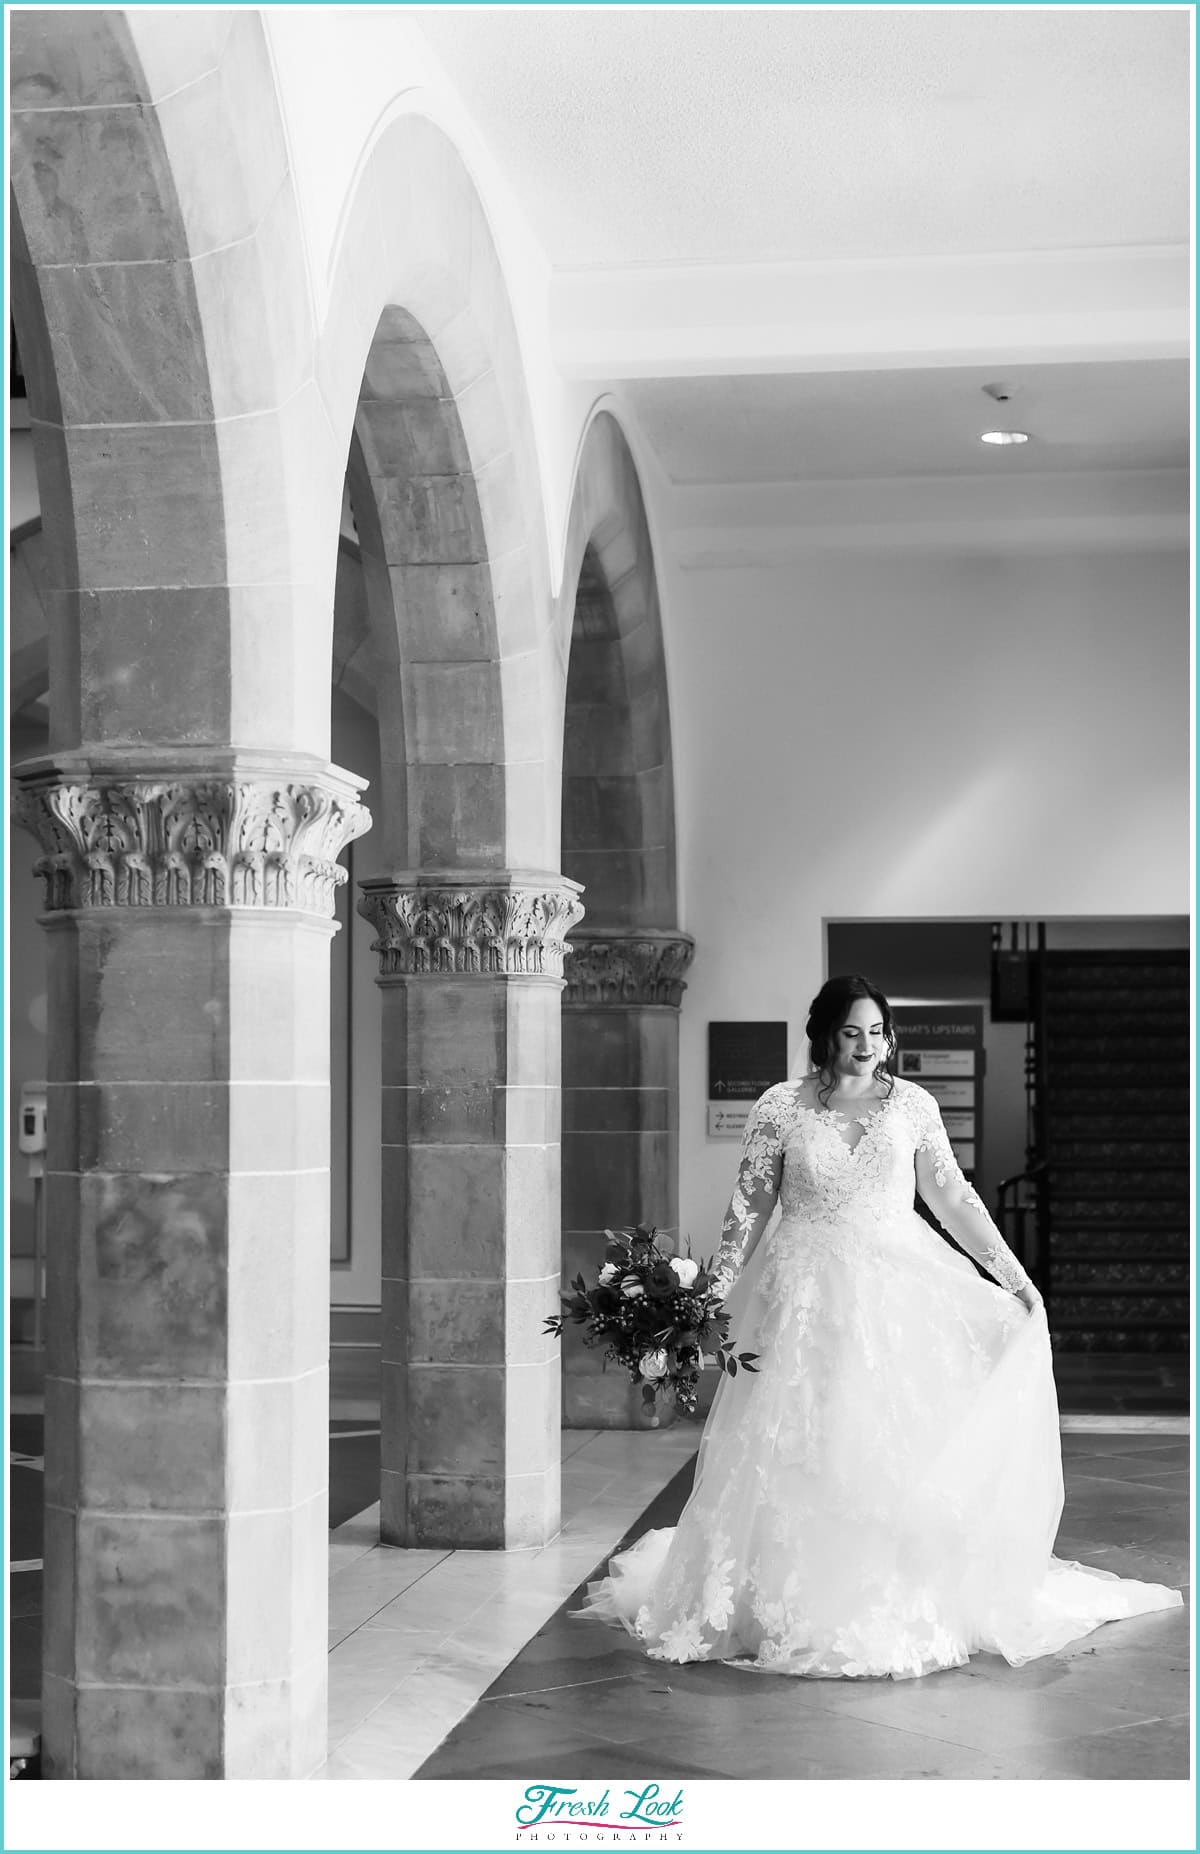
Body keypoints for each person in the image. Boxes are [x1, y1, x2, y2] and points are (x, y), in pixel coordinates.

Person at [576, 975, 1181, 1677]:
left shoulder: (913, 1106)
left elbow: (951, 1197)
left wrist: (1013, 1277)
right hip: (803, 1296)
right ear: (825, 1036)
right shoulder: (780, 1107)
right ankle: (775, 1598)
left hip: (896, 1295)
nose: (867, 1046)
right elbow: (749, 1209)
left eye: (877, 1032)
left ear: (891, 1037)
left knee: (887, 1437)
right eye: (851, 1032)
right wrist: (703, 1298)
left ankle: (894, 1595)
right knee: (801, 1438)